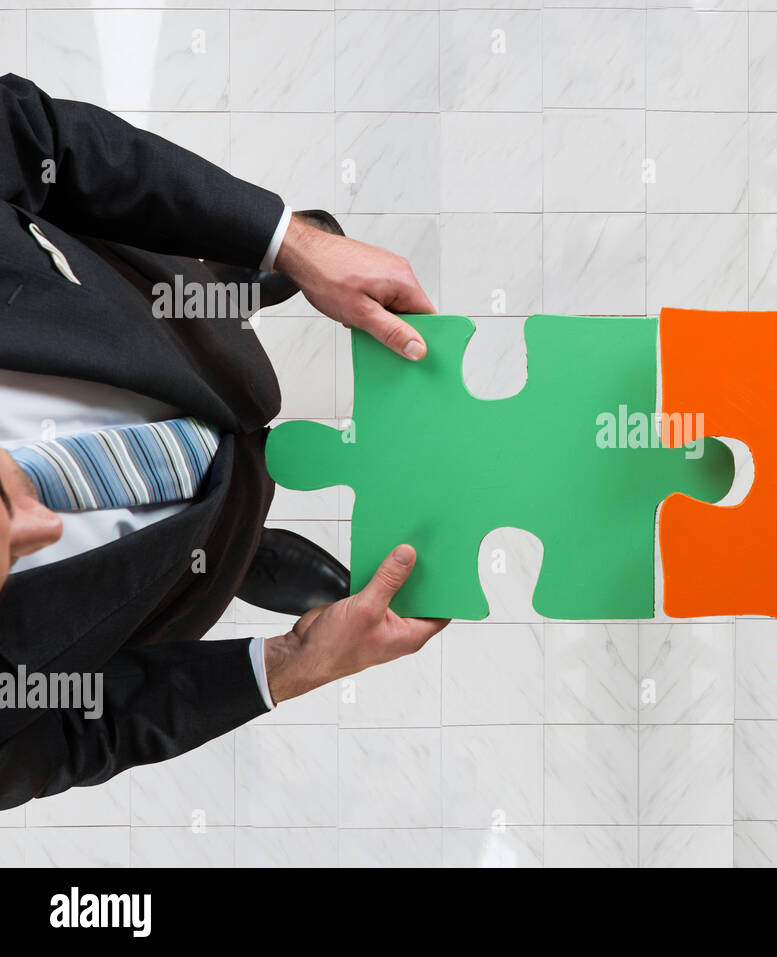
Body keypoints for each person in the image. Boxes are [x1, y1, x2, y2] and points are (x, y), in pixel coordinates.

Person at [0, 73, 446, 809]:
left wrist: (285, 241)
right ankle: (236, 549)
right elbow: (80, 733)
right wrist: (294, 663)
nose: (50, 524)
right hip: (158, 581)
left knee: (201, 303)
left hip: (138, 310)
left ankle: (223, 279)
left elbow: (41, 144)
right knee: (211, 545)